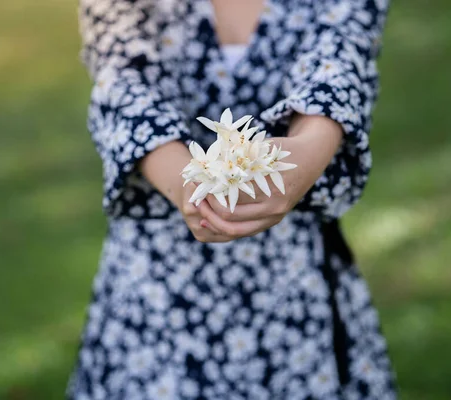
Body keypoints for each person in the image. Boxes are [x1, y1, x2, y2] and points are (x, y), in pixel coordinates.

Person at [67, 0, 396, 398]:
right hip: (159, 293)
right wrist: (190, 184)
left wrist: (306, 153)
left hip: (292, 286)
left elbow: (340, 62)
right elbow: (122, 83)